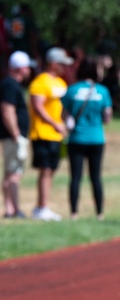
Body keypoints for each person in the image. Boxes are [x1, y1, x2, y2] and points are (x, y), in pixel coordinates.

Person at [28, 46, 74, 221]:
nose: (64, 66)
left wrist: (65, 122)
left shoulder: (61, 83)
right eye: (61, 63)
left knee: (52, 169)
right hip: (43, 133)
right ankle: (41, 207)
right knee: (45, 170)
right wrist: (54, 123)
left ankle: (44, 205)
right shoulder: (40, 81)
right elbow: (37, 106)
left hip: (58, 135)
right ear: (53, 63)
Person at [63, 57, 113, 219]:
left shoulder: (72, 90)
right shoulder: (103, 91)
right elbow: (107, 117)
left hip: (77, 138)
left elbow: (63, 115)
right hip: (96, 138)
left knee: (75, 177)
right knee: (96, 177)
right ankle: (99, 213)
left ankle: (74, 212)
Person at [2, 50, 34, 218]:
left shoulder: (12, 84)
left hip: (14, 136)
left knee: (11, 172)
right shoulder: (10, 84)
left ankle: (10, 209)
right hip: (13, 137)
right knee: (13, 173)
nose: (28, 70)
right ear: (20, 68)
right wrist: (16, 135)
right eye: (27, 67)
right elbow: (7, 110)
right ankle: (13, 209)